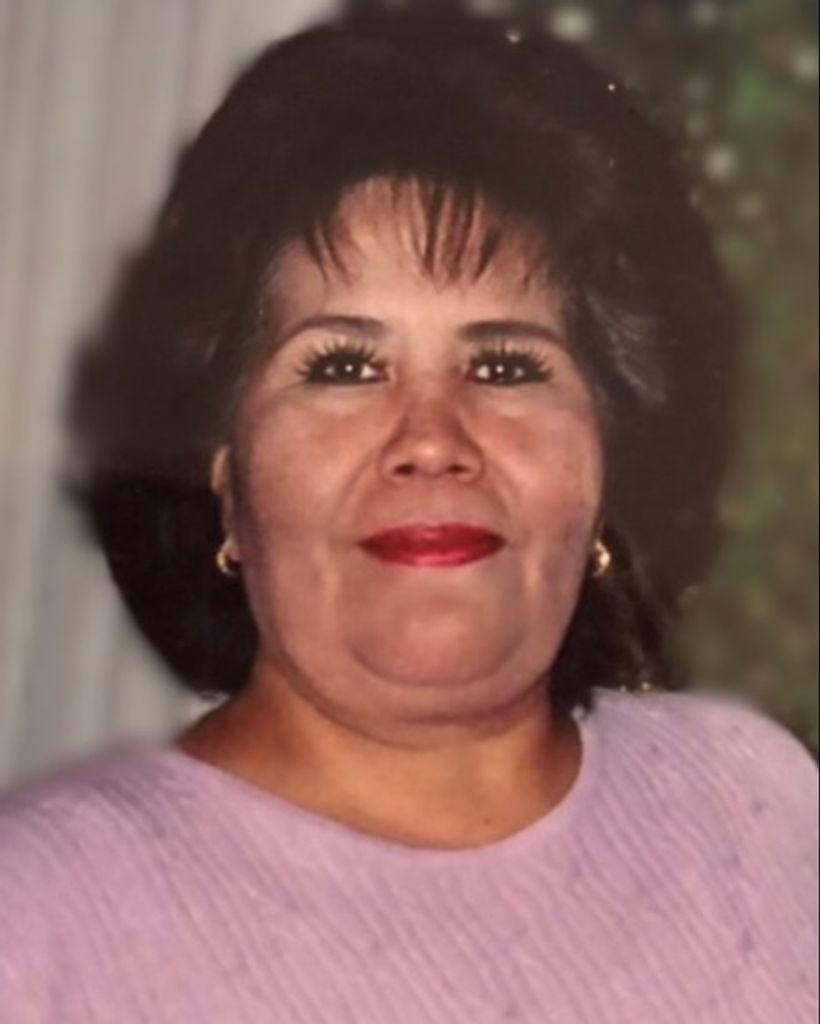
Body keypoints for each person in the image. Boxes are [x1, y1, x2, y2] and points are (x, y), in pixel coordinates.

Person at [0, 9, 816, 1023]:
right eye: (344, 366)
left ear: (609, 464)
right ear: (224, 483)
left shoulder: (750, 805)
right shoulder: (39, 917)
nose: (432, 438)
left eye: (505, 365)